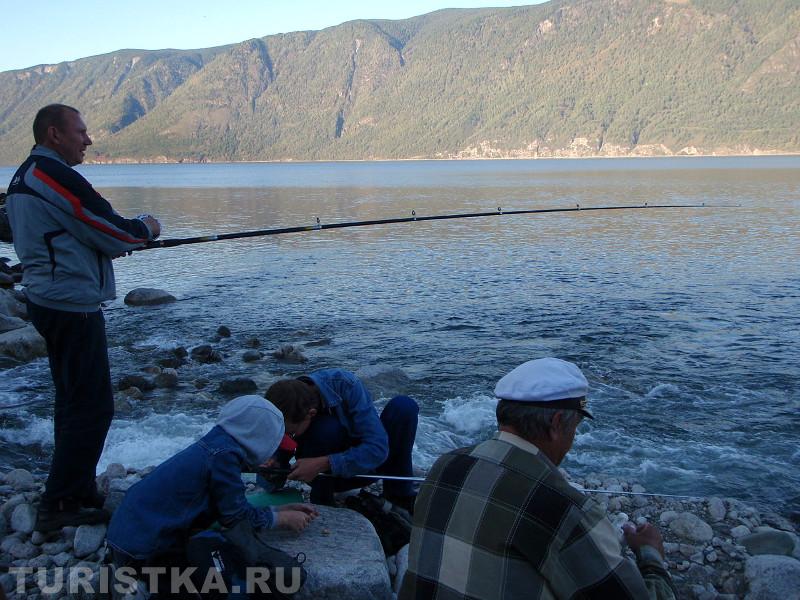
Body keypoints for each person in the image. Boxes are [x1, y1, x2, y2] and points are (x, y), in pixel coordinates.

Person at [5, 104, 162, 531]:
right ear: (55, 134)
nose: (88, 140)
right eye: (82, 132)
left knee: (74, 400)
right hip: (67, 304)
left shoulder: (25, 174)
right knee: (93, 406)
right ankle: (59, 504)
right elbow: (109, 230)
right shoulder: (53, 175)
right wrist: (146, 228)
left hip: (50, 298)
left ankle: (74, 488)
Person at [400, 357, 677, 599]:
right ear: (557, 424)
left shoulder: (445, 465)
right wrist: (650, 556)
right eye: (575, 428)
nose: (573, 439)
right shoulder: (564, 509)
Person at [106, 396, 318, 596]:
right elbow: (235, 518)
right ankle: (146, 586)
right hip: (142, 552)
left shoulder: (216, 445)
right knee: (229, 572)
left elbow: (226, 506)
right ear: (260, 438)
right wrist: (281, 519)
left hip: (123, 538)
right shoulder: (225, 458)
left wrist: (277, 510)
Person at [265, 368, 419, 511]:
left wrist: (323, 463)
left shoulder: (346, 385)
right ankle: (323, 501)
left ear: (310, 413)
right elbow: (270, 483)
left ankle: (399, 495)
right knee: (325, 429)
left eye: (290, 434)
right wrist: (272, 467)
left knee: (404, 407)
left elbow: (377, 449)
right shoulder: (283, 408)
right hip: (323, 478)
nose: (285, 438)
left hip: (365, 468)